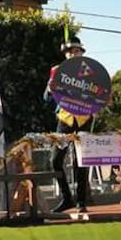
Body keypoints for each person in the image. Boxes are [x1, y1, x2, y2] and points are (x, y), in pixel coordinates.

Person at [44, 36, 92, 212]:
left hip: (85, 119)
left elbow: (99, 94)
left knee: (82, 160)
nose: (73, 54)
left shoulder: (90, 71)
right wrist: (50, 89)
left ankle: (81, 202)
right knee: (55, 160)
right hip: (64, 118)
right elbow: (47, 99)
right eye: (70, 52)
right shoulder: (57, 71)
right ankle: (67, 198)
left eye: (76, 51)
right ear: (66, 55)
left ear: (81, 53)